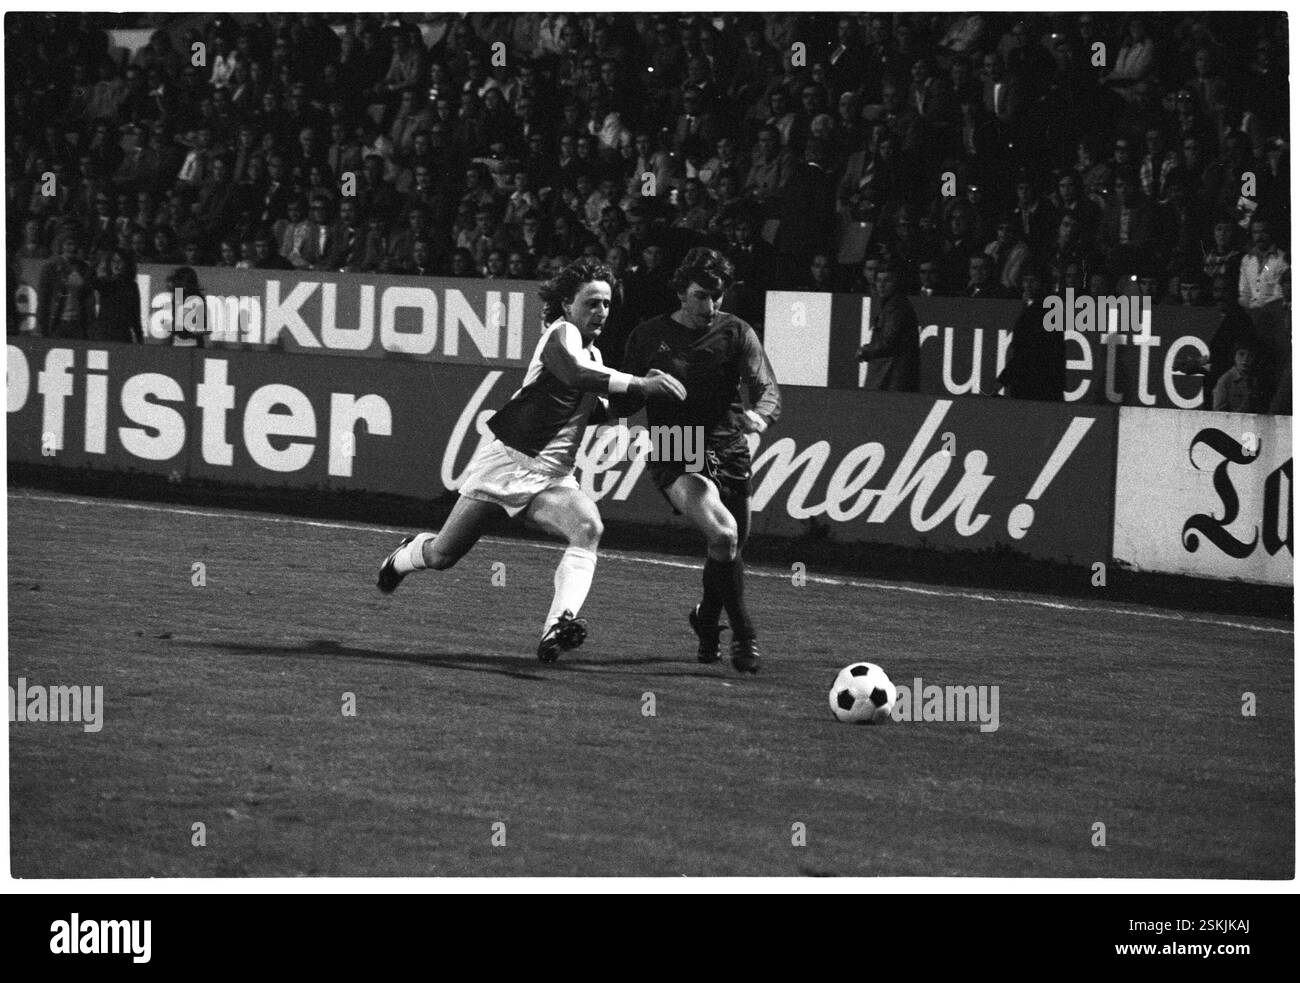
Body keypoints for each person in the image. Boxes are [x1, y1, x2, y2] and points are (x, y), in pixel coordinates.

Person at [376, 258, 686, 662]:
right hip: (507, 466)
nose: (601, 312)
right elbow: (575, 375)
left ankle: (557, 625)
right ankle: (402, 556)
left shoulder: (592, 353)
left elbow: (595, 410)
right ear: (566, 305)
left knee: (588, 526)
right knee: (442, 556)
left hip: (552, 478)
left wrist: (639, 396)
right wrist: (639, 382)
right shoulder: (560, 337)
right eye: (592, 302)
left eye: (607, 304)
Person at [617, 248, 781, 673]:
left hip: (728, 444)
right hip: (676, 442)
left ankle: (706, 619)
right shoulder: (648, 335)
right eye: (702, 296)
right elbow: (623, 398)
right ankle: (746, 637)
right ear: (681, 293)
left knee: (726, 548)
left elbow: (766, 386)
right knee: (725, 537)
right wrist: (635, 388)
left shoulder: (736, 331)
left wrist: (760, 416)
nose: (712, 306)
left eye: (718, 296)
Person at [857, 261, 920, 391]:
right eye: (879, 280)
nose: (881, 285)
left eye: (887, 281)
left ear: (897, 283)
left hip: (891, 378)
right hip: (892, 377)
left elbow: (888, 342)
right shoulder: (892, 305)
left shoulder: (896, 307)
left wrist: (865, 351)